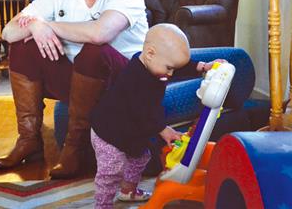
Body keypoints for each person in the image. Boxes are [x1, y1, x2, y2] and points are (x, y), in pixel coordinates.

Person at [0, 0, 149, 179]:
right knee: (23, 47)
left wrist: (45, 25)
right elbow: (9, 32)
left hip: (123, 79)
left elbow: (100, 33)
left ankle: (74, 148)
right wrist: (33, 24)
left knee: (93, 51)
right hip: (82, 82)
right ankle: (28, 140)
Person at [90, 24, 220, 207]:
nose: (171, 73)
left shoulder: (156, 63)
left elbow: (178, 66)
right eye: (169, 68)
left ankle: (128, 191)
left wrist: (203, 67)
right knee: (111, 170)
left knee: (140, 158)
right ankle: (102, 204)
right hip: (108, 132)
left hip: (131, 131)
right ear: (150, 53)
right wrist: (163, 129)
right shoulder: (134, 77)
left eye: (173, 68)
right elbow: (141, 110)